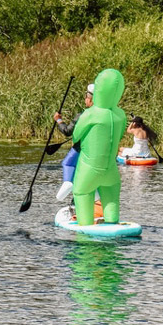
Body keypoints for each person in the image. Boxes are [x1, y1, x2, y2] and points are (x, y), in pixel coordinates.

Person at [71, 69, 127, 226]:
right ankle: (112, 222)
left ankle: (85, 226)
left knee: (82, 193)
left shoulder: (89, 114)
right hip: (110, 170)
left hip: (89, 168)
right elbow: (121, 134)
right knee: (111, 198)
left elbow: (76, 136)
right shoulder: (121, 115)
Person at [53, 84, 94, 201]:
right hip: (97, 152)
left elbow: (67, 131)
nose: (85, 100)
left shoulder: (82, 116)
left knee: (67, 163)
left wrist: (58, 120)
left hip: (80, 149)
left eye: (86, 97)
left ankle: (67, 183)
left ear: (90, 99)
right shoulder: (107, 115)